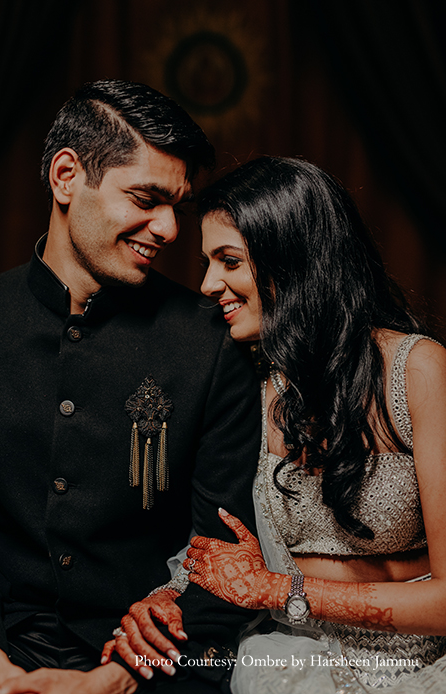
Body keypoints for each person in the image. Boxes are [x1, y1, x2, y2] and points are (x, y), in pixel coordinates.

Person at [111, 156, 446, 692]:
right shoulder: (249, 381)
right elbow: (221, 538)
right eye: (207, 262)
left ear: (294, 261)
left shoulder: (416, 370)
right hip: (287, 661)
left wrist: (279, 590)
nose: (207, 284)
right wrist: (164, 600)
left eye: (228, 261)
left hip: (420, 668)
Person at [0, 80, 261, 694]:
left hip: (151, 664)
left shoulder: (210, 344)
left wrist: (120, 679)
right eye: (145, 198)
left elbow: (230, 555)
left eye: (177, 208)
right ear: (66, 176)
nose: (166, 228)